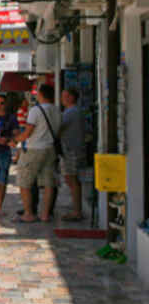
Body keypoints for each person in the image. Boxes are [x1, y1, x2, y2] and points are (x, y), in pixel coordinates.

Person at [13, 83, 61, 222]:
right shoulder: (57, 110)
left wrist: (15, 139)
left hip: (34, 149)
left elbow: (28, 132)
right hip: (50, 148)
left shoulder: (36, 110)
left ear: (41, 95)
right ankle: (45, 214)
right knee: (48, 183)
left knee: (24, 181)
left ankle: (28, 213)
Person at [59, 88, 85, 222]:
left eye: (65, 96)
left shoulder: (71, 112)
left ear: (71, 98)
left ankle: (77, 211)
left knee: (72, 179)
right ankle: (76, 209)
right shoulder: (73, 111)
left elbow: (58, 126)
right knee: (71, 179)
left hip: (71, 150)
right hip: (71, 149)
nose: (62, 98)